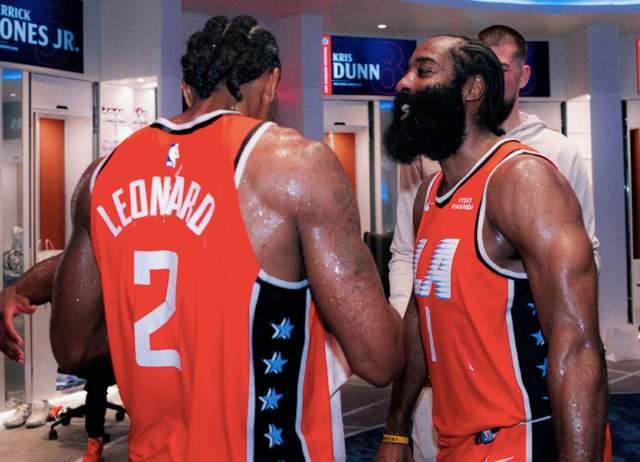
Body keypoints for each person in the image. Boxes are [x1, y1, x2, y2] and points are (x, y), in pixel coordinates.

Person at [0, 15, 403, 461]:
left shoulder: (102, 175)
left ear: (187, 90)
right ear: (272, 82)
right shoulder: (295, 165)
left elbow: (73, 348)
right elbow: (379, 359)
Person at [376, 35, 609, 461]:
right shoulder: (429, 193)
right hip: (456, 441)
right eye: (408, 71)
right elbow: (419, 315)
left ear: (473, 89)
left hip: (523, 440)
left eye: (423, 71)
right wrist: (396, 431)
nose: (404, 83)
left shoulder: (522, 180)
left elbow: (578, 346)